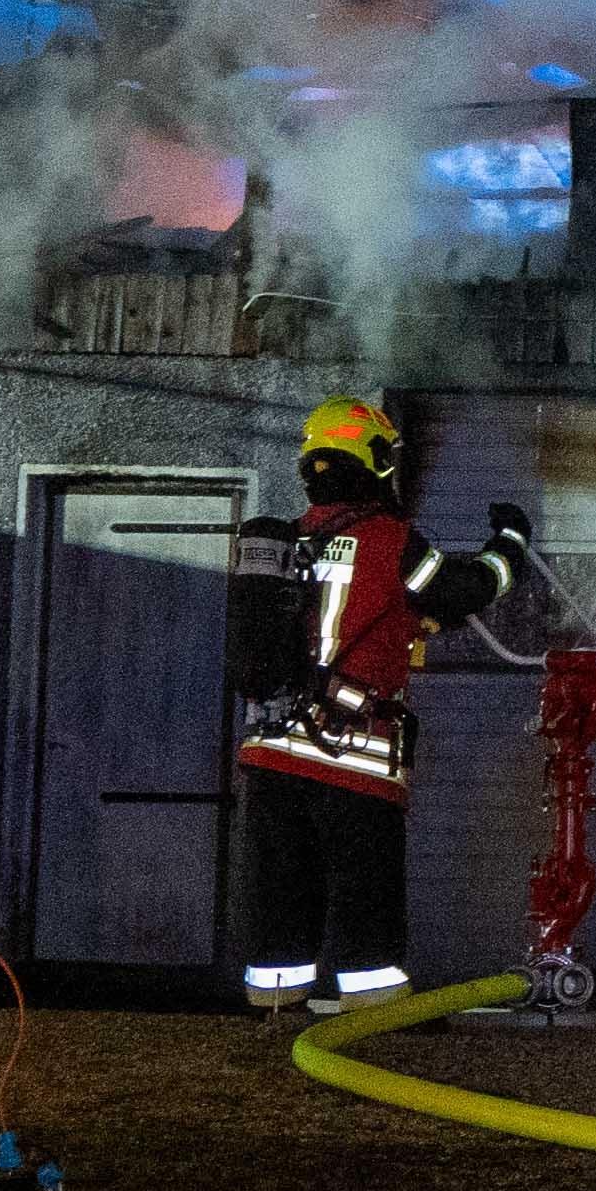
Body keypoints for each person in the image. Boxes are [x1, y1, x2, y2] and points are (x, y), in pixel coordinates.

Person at [226, 398, 533, 1009]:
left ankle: (274, 1012)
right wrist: (512, 542)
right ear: (373, 460)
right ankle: (376, 1013)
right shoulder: (390, 541)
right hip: (351, 758)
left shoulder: (287, 543)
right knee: (364, 893)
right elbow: (466, 589)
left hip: (268, 755)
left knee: (281, 894)